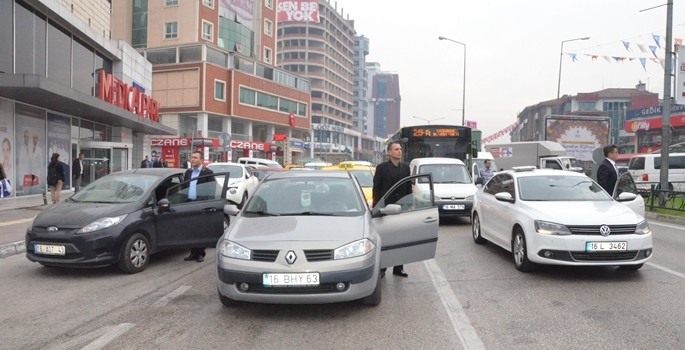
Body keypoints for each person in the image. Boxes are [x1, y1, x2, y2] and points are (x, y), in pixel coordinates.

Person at [372, 141, 411, 278]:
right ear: (389, 153)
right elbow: (376, 188)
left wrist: (408, 206)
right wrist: (377, 207)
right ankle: (382, 268)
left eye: (400, 149)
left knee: (400, 239)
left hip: (400, 210)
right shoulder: (382, 168)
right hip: (385, 210)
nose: (399, 151)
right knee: (386, 239)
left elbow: (408, 189)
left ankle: (398, 268)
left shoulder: (406, 169)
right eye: (396, 149)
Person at [183, 150, 214, 262]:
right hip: (189, 204)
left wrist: (208, 205)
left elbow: (211, 190)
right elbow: (183, 188)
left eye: (195, 157)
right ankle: (193, 253)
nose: (192, 159)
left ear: (201, 160)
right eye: (192, 157)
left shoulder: (208, 172)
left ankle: (201, 253)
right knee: (191, 230)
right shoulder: (188, 172)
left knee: (200, 230)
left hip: (201, 205)